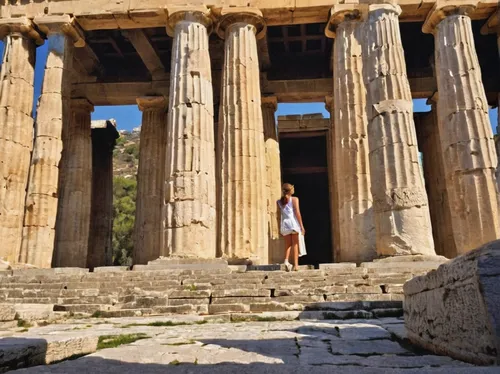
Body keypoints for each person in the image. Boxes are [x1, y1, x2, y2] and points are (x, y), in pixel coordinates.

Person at [276, 183, 305, 272]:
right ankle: (296, 265)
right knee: (295, 244)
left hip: (284, 224)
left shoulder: (279, 202)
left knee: (288, 244)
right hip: (293, 223)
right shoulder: (294, 199)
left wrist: (279, 227)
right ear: (290, 190)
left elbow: (278, 215)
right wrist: (301, 226)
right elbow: (297, 213)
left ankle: (286, 260)